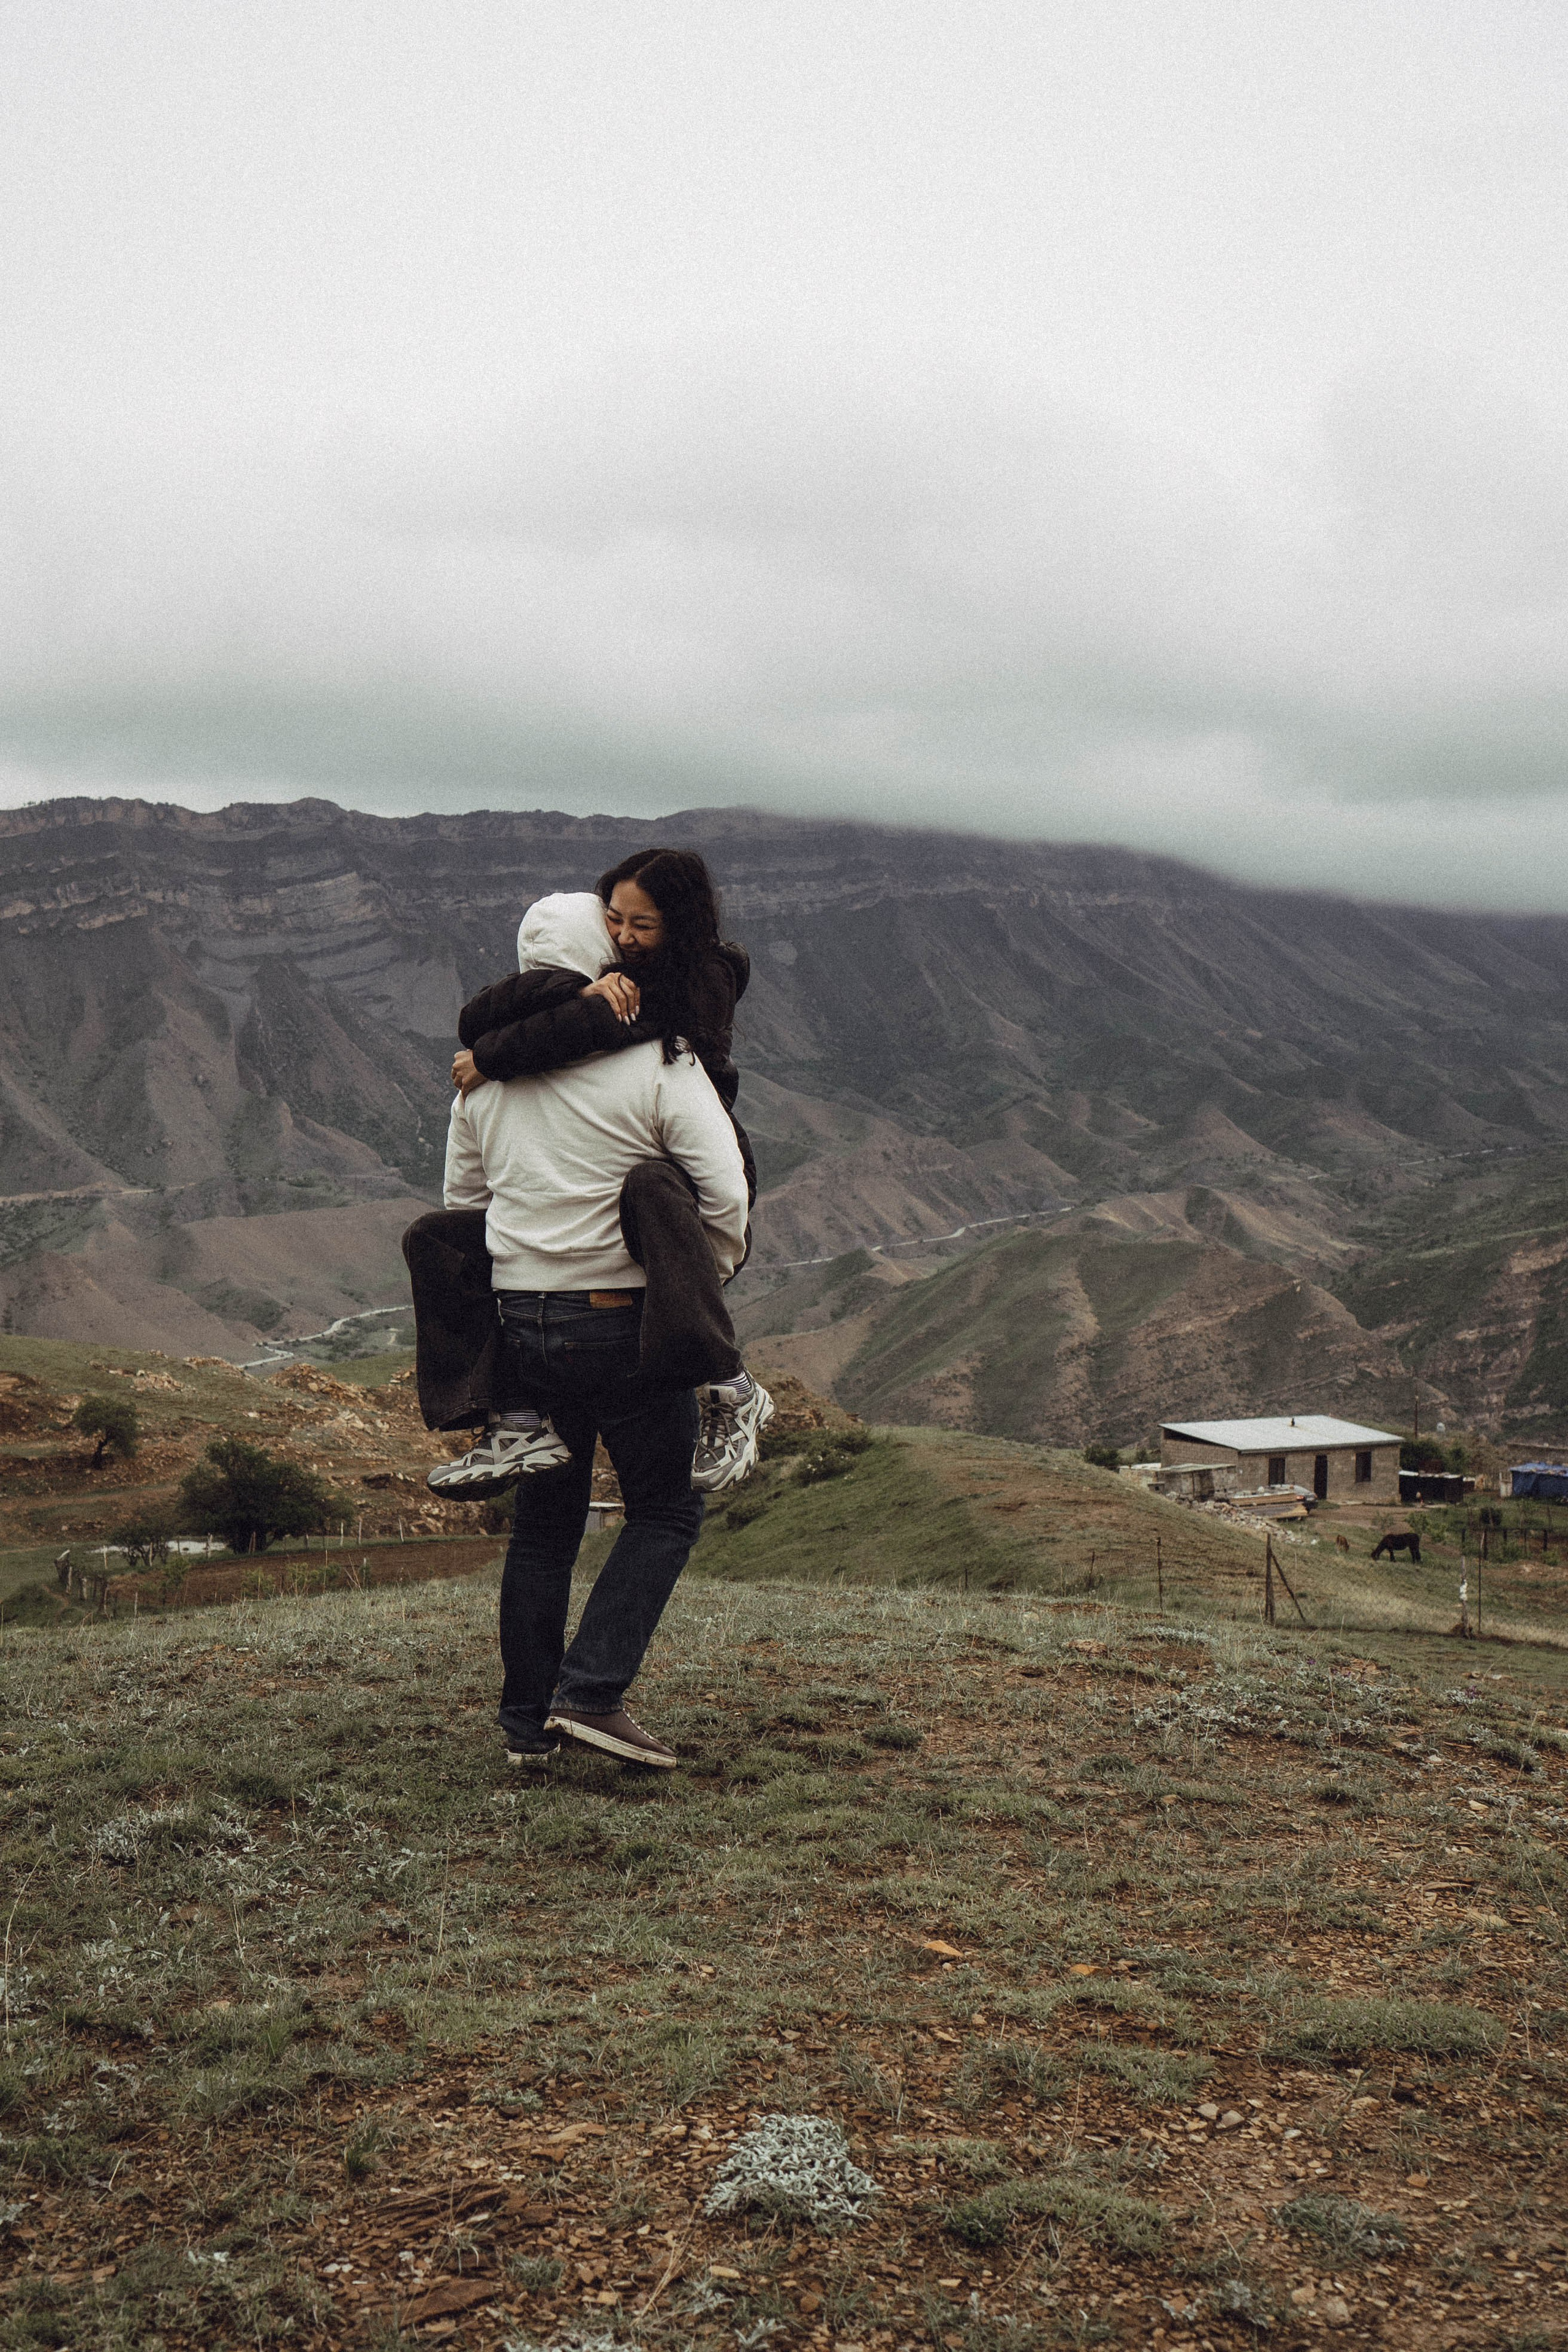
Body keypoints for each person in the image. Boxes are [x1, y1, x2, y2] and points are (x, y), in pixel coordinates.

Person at [442, 889, 751, 1769]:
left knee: (545, 1527)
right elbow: (723, 1190)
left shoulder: (482, 1080)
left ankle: (525, 1727)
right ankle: (590, 1694)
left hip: (523, 1324)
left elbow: (463, 1206)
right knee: (666, 1508)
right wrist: (702, 1280)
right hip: (624, 1320)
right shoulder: (659, 1060)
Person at [410, 850, 771, 1494]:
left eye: (642, 925)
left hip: (674, 1183)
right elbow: (496, 1017)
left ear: (678, 925)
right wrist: (561, 1002)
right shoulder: (602, 1004)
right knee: (434, 1235)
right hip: (609, 1298)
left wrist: (491, 1060)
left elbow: (470, 1197)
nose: (626, 937)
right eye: (615, 921)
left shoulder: (698, 983)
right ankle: (510, 1421)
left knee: (647, 1186)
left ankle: (726, 1383)